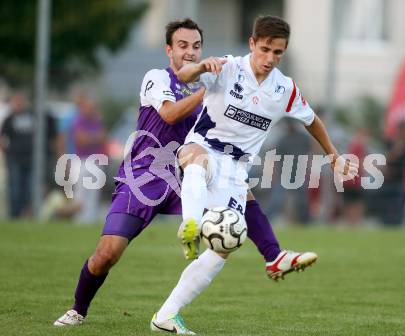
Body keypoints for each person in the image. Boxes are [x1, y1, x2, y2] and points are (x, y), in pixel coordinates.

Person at [54, 18, 313, 328]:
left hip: (189, 172)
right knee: (107, 254)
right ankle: (78, 309)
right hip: (146, 176)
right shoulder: (158, 78)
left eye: (196, 46)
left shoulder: (217, 82)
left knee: (234, 214)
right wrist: (207, 91)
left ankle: (271, 255)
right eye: (183, 45)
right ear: (169, 50)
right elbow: (169, 113)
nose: (190, 52)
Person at [151, 15, 358, 334]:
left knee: (225, 247)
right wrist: (203, 66)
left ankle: (166, 315)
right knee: (196, 159)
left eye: (278, 53)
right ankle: (189, 226)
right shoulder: (228, 67)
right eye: (265, 50)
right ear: (252, 44)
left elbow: (312, 120)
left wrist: (334, 156)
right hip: (202, 146)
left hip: (235, 169)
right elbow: (183, 74)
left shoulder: (283, 88)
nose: (270, 58)